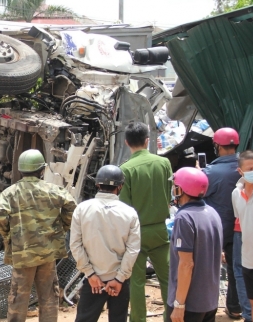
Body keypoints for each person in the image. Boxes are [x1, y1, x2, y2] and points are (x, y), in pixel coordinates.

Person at [0, 149, 77, 322]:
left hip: (23, 254)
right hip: (47, 253)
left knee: (19, 296)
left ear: (21, 170)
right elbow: (72, 206)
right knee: (48, 296)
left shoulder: (10, 193)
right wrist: (62, 228)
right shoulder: (53, 190)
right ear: (42, 170)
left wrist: (9, 235)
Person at [70, 165, 140, 322]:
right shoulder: (130, 213)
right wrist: (120, 279)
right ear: (120, 186)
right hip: (119, 283)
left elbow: (75, 245)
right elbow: (133, 250)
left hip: (93, 281)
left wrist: (91, 274)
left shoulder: (82, 209)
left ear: (97, 184)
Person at [118, 121, 173, 322]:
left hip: (136, 233)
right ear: (147, 141)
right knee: (167, 278)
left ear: (126, 142)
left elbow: (123, 208)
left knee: (137, 281)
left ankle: (138, 319)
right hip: (160, 229)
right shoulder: (164, 163)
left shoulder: (125, 169)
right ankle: (172, 317)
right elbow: (169, 196)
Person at [167, 167, 222, 322]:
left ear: (181, 189)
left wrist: (179, 305)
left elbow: (186, 264)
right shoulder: (212, 213)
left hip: (189, 304)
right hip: (209, 301)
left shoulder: (184, 218)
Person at [200, 127, 242, 319]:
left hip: (215, 229)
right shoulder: (248, 167)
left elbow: (198, 194)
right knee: (237, 270)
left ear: (216, 146)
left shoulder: (211, 172)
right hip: (241, 228)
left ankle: (206, 309)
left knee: (208, 270)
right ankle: (234, 307)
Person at [232, 150, 253, 322]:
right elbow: (241, 222)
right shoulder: (236, 194)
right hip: (249, 260)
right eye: (251, 168)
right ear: (240, 172)